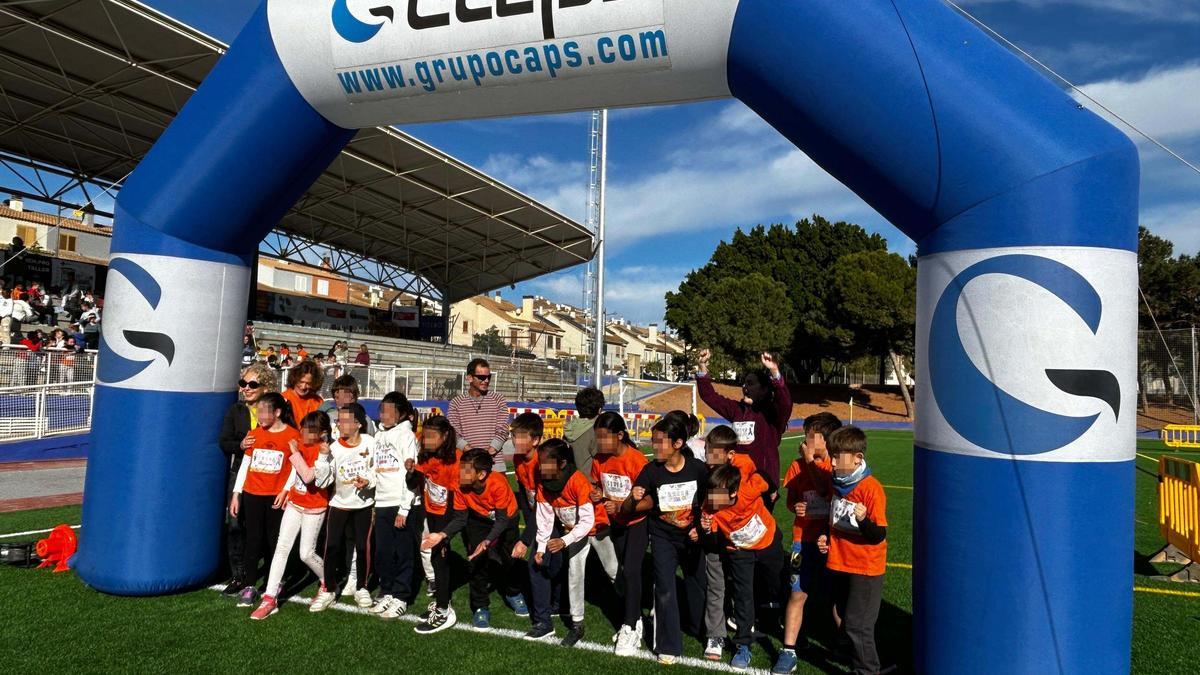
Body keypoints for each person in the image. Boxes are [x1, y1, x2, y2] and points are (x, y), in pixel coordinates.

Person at [622, 413, 709, 665]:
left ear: (678, 443)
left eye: (660, 441)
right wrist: (633, 497)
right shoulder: (650, 471)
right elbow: (628, 509)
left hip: (692, 536)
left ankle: (698, 627)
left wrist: (701, 527)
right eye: (653, 440)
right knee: (665, 586)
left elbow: (710, 499)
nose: (654, 446)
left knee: (697, 582)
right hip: (662, 537)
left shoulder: (697, 469)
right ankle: (668, 644)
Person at [701, 463, 785, 670]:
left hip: (768, 542)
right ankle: (743, 644)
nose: (713, 500)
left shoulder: (750, 488)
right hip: (739, 552)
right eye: (711, 494)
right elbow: (712, 545)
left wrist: (773, 491)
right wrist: (707, 531)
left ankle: (788, 627)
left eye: (719, 495)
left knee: (778, 584)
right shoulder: (709, 507)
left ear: (734, 492)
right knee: (742, 595)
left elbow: (763, 475)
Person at [250, 412, 333, 620]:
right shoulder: (300, 443)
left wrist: (294, 453)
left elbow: (308, 476)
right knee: (282, 548)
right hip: (295, 504)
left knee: (306, 553)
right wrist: (287, 490)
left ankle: (328, 582)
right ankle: (269, 598)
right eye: (302, 427)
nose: (303, 432)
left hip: (314, 508)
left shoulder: (325, 452)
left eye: (310, 430)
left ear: (322, 434)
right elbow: (293, 474)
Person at [775, 412, 841, 674]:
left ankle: (846, 646)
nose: (805, 439)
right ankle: (788, 650)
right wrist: (796, 506)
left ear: (825, 440)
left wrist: (809, 461)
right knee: (797, 593)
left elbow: (826, 491)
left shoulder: (836, 468)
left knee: (838, 597)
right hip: (802, 541)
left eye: (810, 435)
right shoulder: (795, 466)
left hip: (833, 542)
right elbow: (791, 500)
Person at [825, 426, 888, 675]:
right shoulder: (837, 484)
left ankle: (867, 670)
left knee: (858, 625)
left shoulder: (871, 489)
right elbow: (834, 519)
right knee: (841, 614)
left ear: (857, 459)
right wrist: (824, 537)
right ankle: (852, 656)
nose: (831, 462)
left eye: (836, 457)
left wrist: (863, 521)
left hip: (865, 567)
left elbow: (878, 535)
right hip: (840, 561)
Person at [695, 349, 791, 508]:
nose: (744, 386)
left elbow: (785, 403)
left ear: (764, 389)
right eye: (744, 382)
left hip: (762, 484)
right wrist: (702, 368)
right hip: (736, 481)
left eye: (751, 383)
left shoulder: (773, 414)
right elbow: (710, 397)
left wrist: (774, 371)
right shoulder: (737, 409)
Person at [228, 392, 299, 607]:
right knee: (253, 540)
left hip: (275, 498)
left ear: (277, 412)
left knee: (274, 541)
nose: (259, 415)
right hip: (252, 495)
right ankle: (250, 585)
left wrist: (285, 490)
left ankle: (273, 583)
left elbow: (295, 468)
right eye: (257, 411)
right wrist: (236, 494)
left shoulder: (292, 436)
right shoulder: (254, 434)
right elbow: (245, 465)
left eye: (263, 411)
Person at [590, 411, 649, 656]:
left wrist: (624, 506)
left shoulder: (637, 461)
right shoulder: (599, 460)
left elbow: (647, 499)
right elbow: (596, 485)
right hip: (615, 524)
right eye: (597, 438)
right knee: (623, 571)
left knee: (633, 570)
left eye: (604, 437)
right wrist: (597, 494)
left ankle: (631, 625)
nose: (600, 443)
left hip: (637, 522)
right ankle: (635, 616)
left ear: (620, 435)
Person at [525, 438, 595, 646]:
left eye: (547, 463)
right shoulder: (543, 483)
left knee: (613, 572)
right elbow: (545, 519)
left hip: (595, 529)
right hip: (571, 533)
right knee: (573, 571)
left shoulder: (577, 481)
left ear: (562, 463)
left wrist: (564, 541)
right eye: (541, 462)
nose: (542, 467)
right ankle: (577, 625)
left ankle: (631, 613)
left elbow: (588, 521)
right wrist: (540, 548)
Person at [218, 365, 280, 596]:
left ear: (266, 386)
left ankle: (268, 574)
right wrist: (240, 445)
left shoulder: (277, 409)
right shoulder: (236, 411)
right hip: (240, 472)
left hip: (269, 475)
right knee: (234, 524)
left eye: (252, 384)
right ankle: (239, 575)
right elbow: (224, 442)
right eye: (243, 384)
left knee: (263, 526)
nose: (246, 388)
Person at [700, 423, 759, 661]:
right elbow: (706, 507)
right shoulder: (705, 474)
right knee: (716, 587)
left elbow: (759, 491)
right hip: (715, 542)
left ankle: (743, 626)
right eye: (707, 450)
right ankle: (715, 635)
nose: (709, 457)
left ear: (730, 455)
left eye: (714, 452)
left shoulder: (744, 472)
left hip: (740, 543)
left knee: (742, 588)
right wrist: (704, 526)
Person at [313, 403, 377, 612]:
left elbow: (377, 471)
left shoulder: (370, 442)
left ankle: (362, 587)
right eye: (338, 420)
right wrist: (322, 457)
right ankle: (329, 589)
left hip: (364, 505)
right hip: (339, 504)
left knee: (362, 547)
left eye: (343, 420)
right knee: (331, 547)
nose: (338, 424)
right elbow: (322, 482)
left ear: (358, 424)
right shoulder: (333, 448)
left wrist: (368, 481)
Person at [454, 447, 524, 631]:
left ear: (482, 474)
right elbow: (460, 519)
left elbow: (501, 520)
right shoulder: (459, 484)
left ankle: (513, 592)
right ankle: (480, 605)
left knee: (510, 558)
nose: (460, 473)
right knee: (476, 560)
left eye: (466, 470)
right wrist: (442, 535)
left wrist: (488, 541)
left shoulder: (498, 483)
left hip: (507, 518)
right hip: (478, 519)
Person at [368, 392, 421, 620]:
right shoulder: (379, 436)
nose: (384, 415)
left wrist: (404, 509)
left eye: (389, 411)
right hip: (382, 503)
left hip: (402, 504)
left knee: (403, 553)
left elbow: (410, 474)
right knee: (383, 552)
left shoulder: (406, 435)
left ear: (400, 414)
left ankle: (401, 596)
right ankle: (387, 590)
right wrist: (368, 482)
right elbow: (375, 469)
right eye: (382, 410)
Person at [408, 415, 462, 634]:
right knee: (436, 557)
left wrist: (443, 531)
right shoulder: (426, 454)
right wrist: (411, 471)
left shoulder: (456, 460)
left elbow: (454, 498)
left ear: (445, 436)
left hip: (449, 514)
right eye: (425, 436)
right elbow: (414, 484)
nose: (427, 440)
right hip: (431, 511)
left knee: (439, 558)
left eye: (432, 436)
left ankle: (443, 610)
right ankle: (441, 599)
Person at [446, 358, 510, 472]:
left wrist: (490, 451)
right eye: (481, 377)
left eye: (488, 377)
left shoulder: (498, 399)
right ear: (469, 378)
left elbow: (503, 429)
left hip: (494, 464)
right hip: (468, 464)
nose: (486, 381)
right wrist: (472, 453)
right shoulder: (456, 402)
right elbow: (454, 432)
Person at [563, 386, 604, 477]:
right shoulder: (595, 432)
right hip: (588, 485)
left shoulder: (569, 428)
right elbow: (603, 462)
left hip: (569, 483)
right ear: (599, 410)